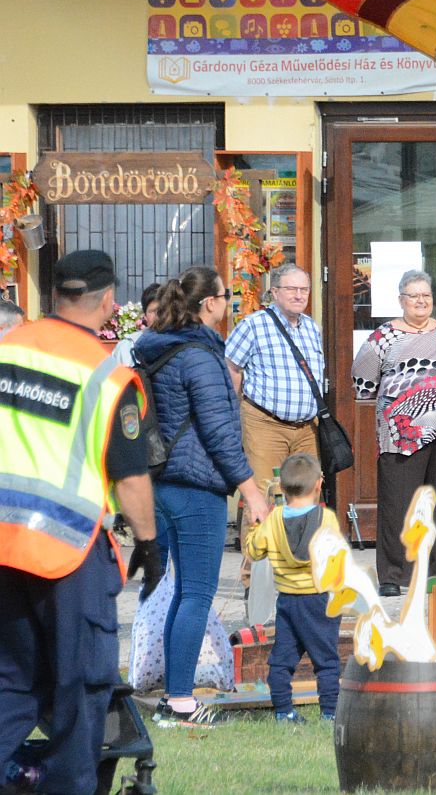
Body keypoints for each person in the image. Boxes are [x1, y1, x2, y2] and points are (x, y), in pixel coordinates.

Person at [0, 250, 162, 793]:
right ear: (109, 304)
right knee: (82, 683)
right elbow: (131, 476)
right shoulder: (107, 377)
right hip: (67, 552)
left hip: (2, 546)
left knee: (11, 682)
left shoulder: (7, 349)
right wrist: (149, 542)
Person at [135, 264, 271, 728]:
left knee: (182, 595)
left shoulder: (158, 347)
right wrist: (251, 491)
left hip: (162, 482)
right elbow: (218, 432)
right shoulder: (199, 355)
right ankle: (180, 702)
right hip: (196, 487)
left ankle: (175, 698)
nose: (229, 302)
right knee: (195, 594)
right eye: (225, 296)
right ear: (210, 303)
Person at [352, 269, 436, 596]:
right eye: (414, 296)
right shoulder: (383, 337)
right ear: (401, 300)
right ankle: (394, 576)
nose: (421, 301)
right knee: (397, 503)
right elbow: (363, 383)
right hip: (400, 432)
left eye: (426, 296)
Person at [242, 452, 342, 724]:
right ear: (319, 484)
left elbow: (254, 552)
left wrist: (253, 527)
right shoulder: (327, 519)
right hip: (319, 601)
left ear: (282, 488)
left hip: (287, 602)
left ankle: (284, 711)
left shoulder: (273, 520)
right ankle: (331, 713)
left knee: (282, 660)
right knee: (327, 661)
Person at [224, 264, 325, 497]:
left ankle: (300, 536)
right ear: (275, 292)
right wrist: (233, 412)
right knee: (265, 498)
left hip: (307, 429)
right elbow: (231, 368)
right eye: (291, 289)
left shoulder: (311, 328)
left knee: (307, 497)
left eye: (304, 289)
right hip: (265, 426)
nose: (299, 295)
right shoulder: (253, 324)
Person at [111, 282, 162, 368]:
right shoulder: (126, 348)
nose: (158, 317)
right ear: (145, 316)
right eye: (153, 311)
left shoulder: (182, 345)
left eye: (162, 310)